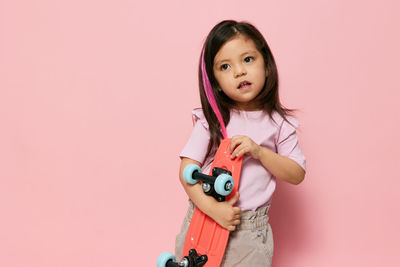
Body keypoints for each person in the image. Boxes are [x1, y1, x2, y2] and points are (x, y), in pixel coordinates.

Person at [174, 20, 306, 266]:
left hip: (247, 232)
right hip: (205, 219)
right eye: (225, 66)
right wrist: (212, 208)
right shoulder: (212, 119)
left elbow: (297, 173)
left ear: (266, 65)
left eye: (248, 60)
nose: (239, 72)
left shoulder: (279, 124)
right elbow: (186, 172)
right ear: (215, 82)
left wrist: (260, 152)